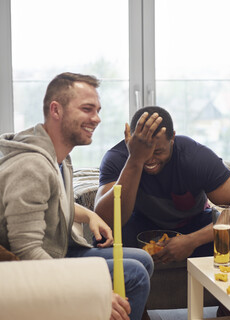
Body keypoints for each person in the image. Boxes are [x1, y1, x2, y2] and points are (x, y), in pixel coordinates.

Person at [0, 72, 153, 320]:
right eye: (87, 109)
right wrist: (91, 291)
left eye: (98, 110)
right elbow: (27, 253)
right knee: (133, 274)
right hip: (25, 273)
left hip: (58, 251)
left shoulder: (59, 156)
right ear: (56, 110)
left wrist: (89, 214)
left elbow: (53, 199)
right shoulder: (31, 167)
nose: (97, 119)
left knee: (142, 259)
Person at [94, 106, 230, 263]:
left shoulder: (195, 157)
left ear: (172, 139)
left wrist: (192, 241)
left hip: (193, 223)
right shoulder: (117, 158)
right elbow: (105, 221)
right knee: (104, 242)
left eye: (158, 152)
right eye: (144, 152)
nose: (149, 160)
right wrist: (135, 159)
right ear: (130, 140)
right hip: (141, 224)